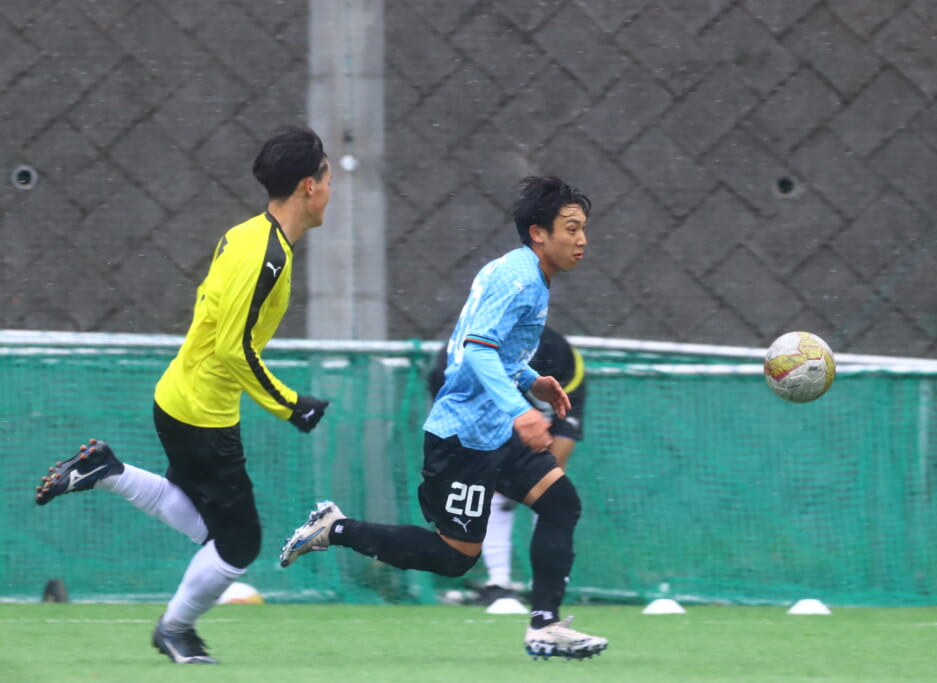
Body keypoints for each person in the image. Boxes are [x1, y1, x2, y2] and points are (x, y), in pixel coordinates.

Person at [34, 124, 333, 664]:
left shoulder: (245, 234)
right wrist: (292, 406)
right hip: (202, 414)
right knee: (239, 545)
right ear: (309, 186)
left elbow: (212, 318)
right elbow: (233, 348)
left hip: (182, 398)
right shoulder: (267, 256)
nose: (331, 189)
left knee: (215, 530)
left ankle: (108, 471)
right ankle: (174, 630)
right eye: (329, 177)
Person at [280, 176, 608, 660]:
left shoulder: (523, 274)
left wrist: (531, 380)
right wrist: (521, 410)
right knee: (455, 558)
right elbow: (476, 349)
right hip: (464, 439)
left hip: (495, 431)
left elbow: (488, 349)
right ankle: (335, 528)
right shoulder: (518, 279)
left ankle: (545, 625)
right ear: (539, 233)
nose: (582, 240)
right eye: (572, 228)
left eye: (583, 229)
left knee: (561, 504)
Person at [427, 326, 586, 606]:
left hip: (552, 404)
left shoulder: (554, 350)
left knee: (554, 490)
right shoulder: (450, 365)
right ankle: (498, 583)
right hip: (482, 416)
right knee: (492, 487)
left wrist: (539, 475)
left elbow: (565, 423)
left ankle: (546, 588)